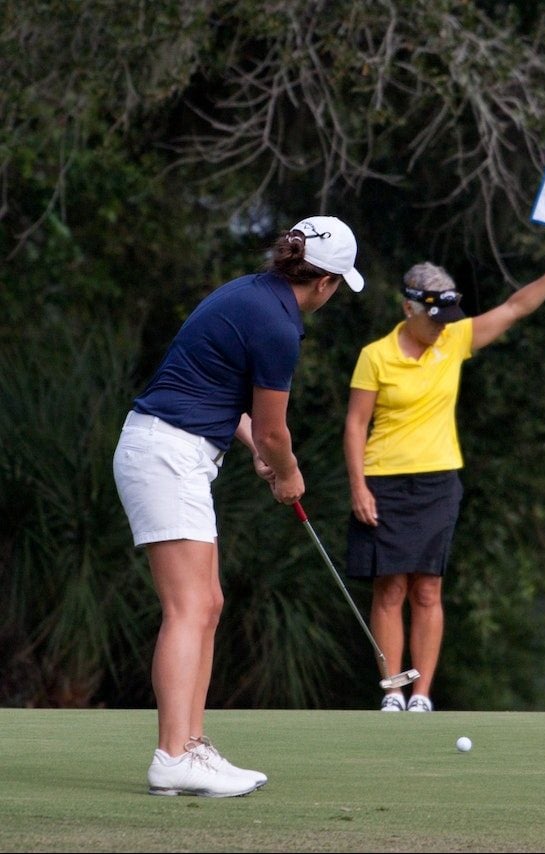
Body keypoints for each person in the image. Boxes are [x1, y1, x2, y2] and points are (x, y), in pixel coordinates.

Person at [113, 215, 364, 796]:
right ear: (325, 283)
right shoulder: (280, 324)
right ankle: (173, 754)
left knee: (208, 602)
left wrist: (254, 447)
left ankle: (190, 748)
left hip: (174, 450)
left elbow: (226, 397)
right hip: (167, 453)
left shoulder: (250, 293)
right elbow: (276, 430)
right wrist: (287, 474)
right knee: (189, 606)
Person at [343, 240, 545, 712]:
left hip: (438, 481)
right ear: (408, 307)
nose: (439, 329)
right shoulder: (375, 356)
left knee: (428, 588)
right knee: (390, 587)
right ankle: (392, 689)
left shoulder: (453, 342)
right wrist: (358, 486)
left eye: (444, 320)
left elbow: (515, 308)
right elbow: (355, 425)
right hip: (384, 480)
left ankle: (422, 695)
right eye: (432, 319)